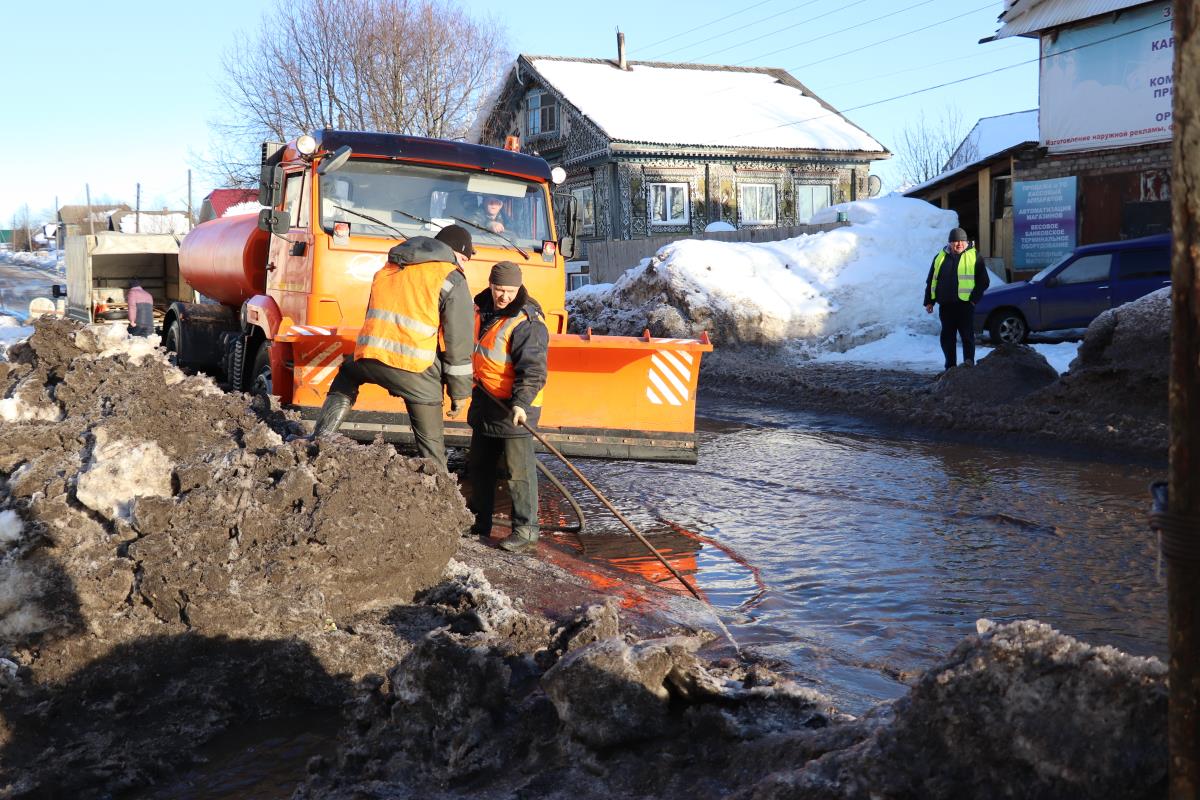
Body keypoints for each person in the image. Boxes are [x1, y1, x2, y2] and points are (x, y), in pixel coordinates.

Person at [305, 233, 474, 471]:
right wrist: (459, 393)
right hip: (413, 369)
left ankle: (319, 441)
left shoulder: (391, 266)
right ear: (452, 252)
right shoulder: (450, 278)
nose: (463, 265)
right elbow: (459, 344)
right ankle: (440, 496)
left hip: (370, 355)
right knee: (432, 449)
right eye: (464, 258)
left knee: (347, 375)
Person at [466, 261, 549, 553]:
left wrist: (521, 404)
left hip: (514, 409)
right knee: (479, 466)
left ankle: (526, 531)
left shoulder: (527, 322)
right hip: (486, 401)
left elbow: (534, 370)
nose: (504, 296)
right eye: (500, 289)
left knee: (519, 472)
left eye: (510, 291)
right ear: (491, 285)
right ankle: (479, 522)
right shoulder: (480, 309)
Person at [924, 227, 989, 370]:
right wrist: (929, 301)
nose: (959, 244)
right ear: (949, 243)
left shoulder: (974, 257)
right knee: (947, 338)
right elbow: (931, 280)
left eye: (962, 241)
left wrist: (973, 300)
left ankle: (968, 365)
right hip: (946, 306)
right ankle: (950, 367)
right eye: (955, 241)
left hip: (965, 306)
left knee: (967, 337)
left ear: (966, 242)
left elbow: (984, 281)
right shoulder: (939, 258)